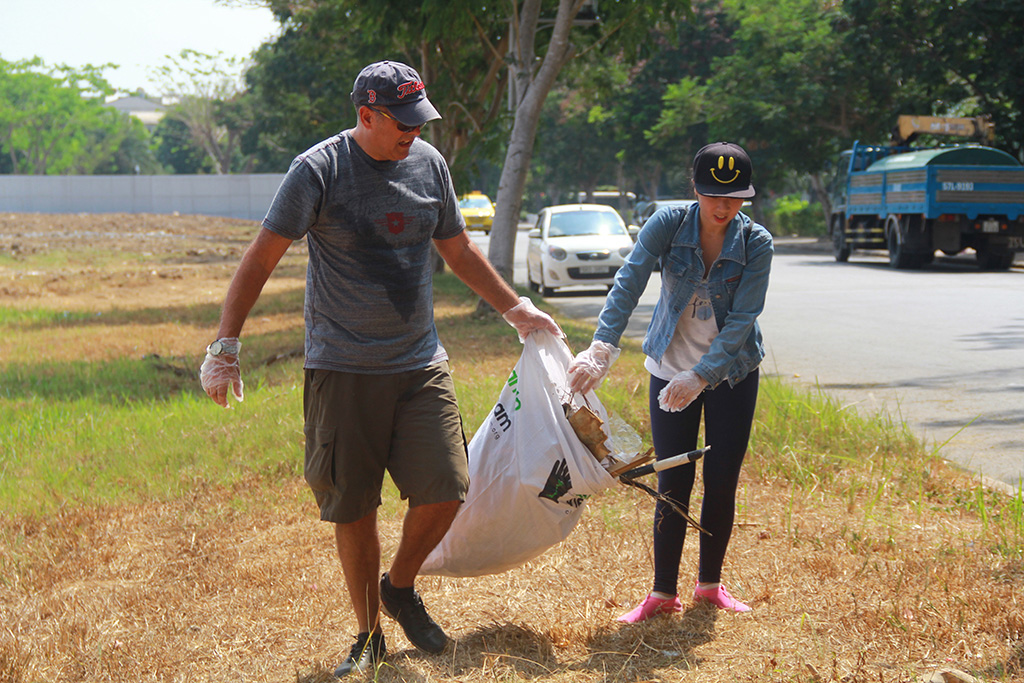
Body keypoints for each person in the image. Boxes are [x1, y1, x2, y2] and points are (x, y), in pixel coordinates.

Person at [199, 60, 561, 676]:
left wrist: (515, 309)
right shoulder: (318, 170)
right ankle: (367, 633)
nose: (413, 135)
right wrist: (224, 344)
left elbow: (457, 248)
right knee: (354, 504)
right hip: (343, 367)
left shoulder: (429, 165)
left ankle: (399, 585)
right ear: (366, 115)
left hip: (420, 361)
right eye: (402, 123)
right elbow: (261, 259)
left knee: (448, 485)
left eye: (420, 122)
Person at [567, 142, 772, 621]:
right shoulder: (668, 224)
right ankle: (662, 594)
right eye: (713, 195)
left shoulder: (756, 242)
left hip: (733, 374)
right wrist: (602, 347)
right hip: (668, 370)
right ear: (695, 190)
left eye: (735, 197)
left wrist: (702, 375)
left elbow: (743, 318)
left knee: (721, 481)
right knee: (672, 480)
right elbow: (630, 281)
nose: (724, 207)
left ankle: (710, 586)